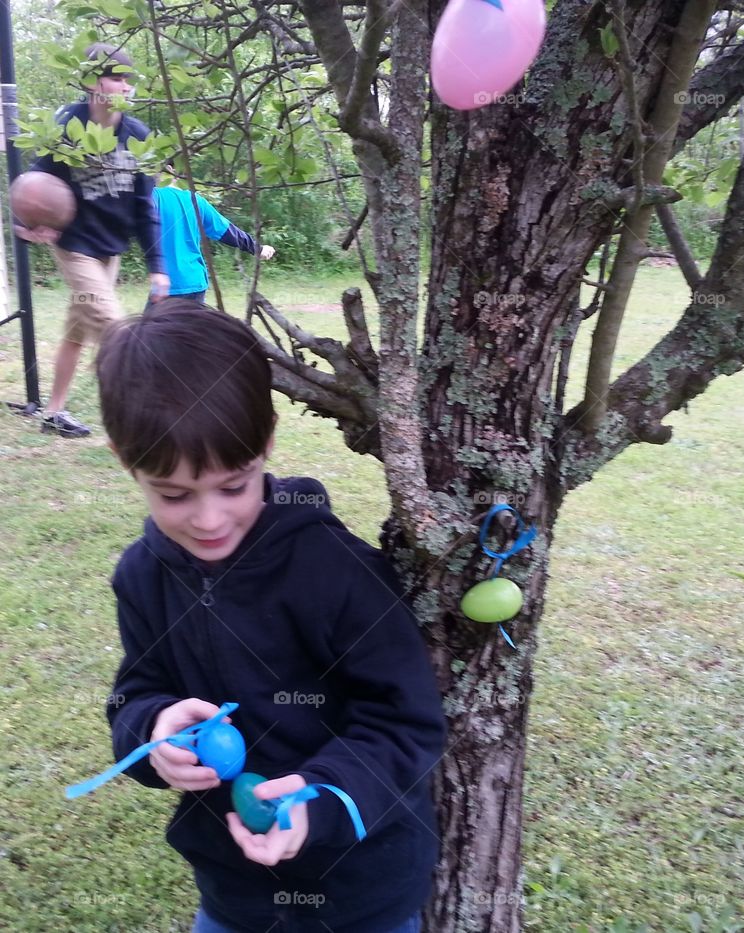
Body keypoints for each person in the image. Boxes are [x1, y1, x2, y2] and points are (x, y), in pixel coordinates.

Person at [95, 299, 445, 933]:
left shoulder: (336, 571)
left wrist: (319, 800)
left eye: (234, 484)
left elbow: (405, 724)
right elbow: (135, 694)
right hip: (235, 896)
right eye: (174, 494)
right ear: (127, 461)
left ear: (266, 443)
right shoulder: (142, 577)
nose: (208, 519)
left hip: (363, 891)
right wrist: (153, 734)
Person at [16, 43, 169, 439]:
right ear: (91, 82)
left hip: (109, 250)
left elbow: (145, 208)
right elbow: (36, 184)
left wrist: (158, 267)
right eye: (115, 77)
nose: (125, 85)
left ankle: (53, 412)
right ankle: (145, 419)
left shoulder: (137, 136)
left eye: (127, 78)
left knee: (77, 329)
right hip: (76, 246)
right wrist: (31, 223)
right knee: (114, 328)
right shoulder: (68, 125)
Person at [153, 173, 277, 303]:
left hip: (166, 285)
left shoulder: (151, 198)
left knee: (150, 323)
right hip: (195, 283)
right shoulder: (195, 200)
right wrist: (257, 248)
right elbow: (227, 231)